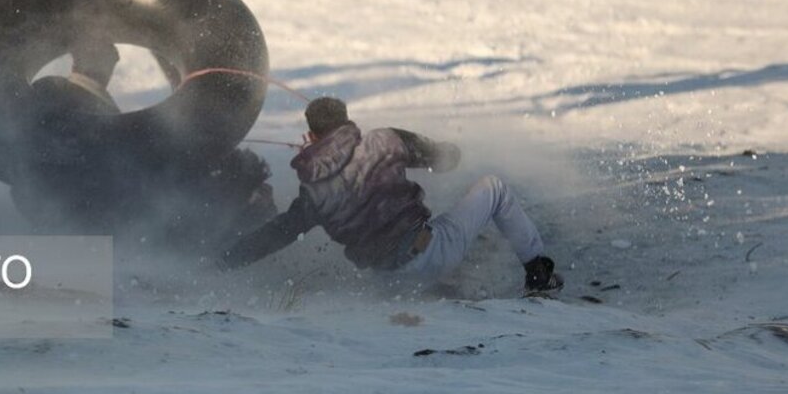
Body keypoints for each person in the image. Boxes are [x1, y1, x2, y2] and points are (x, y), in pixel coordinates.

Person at [217, 97, 563, 292]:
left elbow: (278, 234)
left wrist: (225, 262)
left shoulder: (312, 192)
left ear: (311, 133)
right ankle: (539, 273)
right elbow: (446, 159)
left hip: (386, 281)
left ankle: (439, 287)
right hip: (430, 254)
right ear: (346, 119)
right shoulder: (384, 141)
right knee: (493, 188)